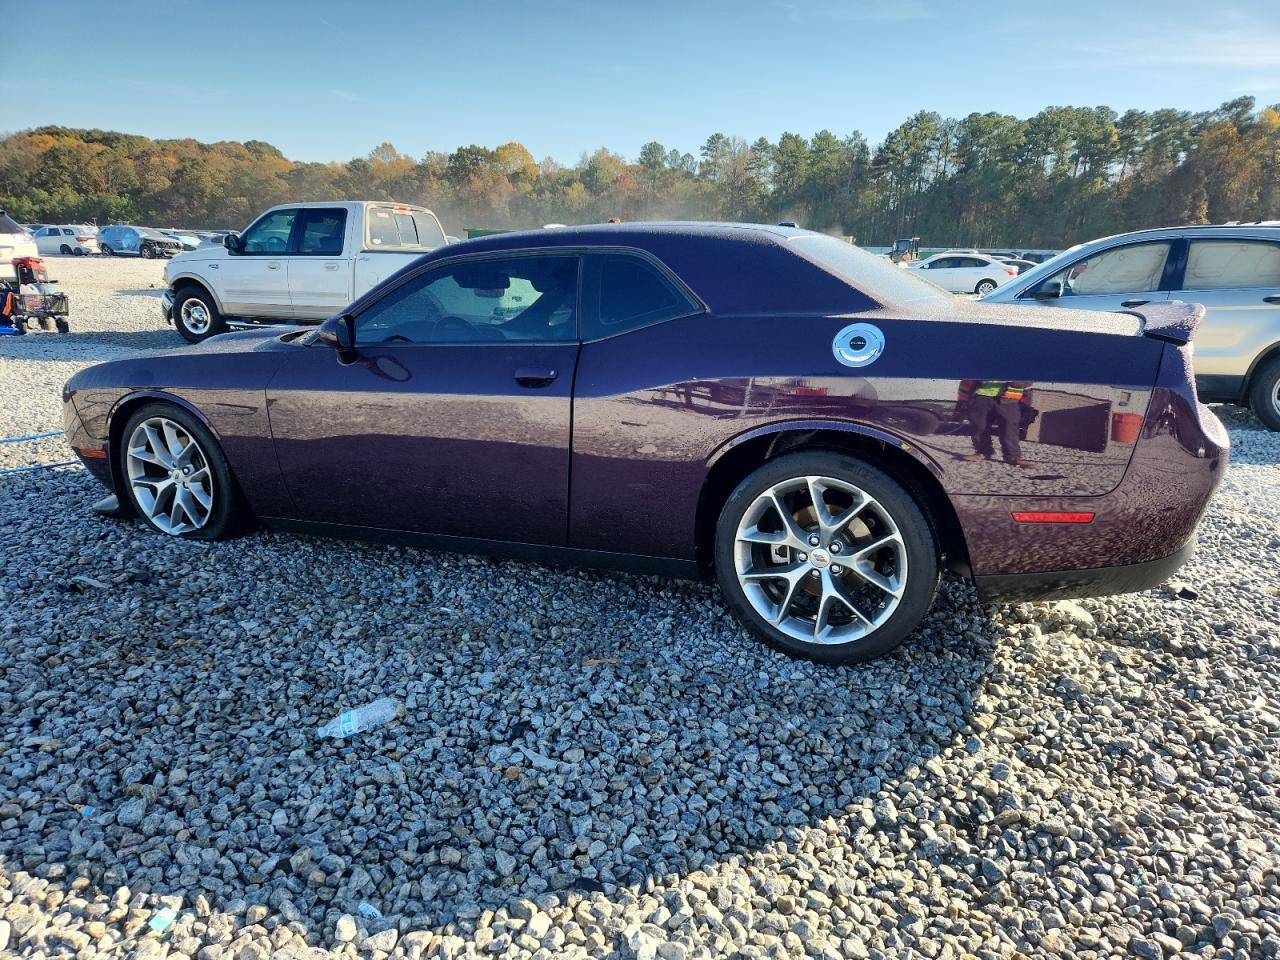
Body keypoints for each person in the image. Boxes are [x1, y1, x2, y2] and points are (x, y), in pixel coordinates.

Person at [957, 380, 1033, 467]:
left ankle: (1013, 456)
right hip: (980, 395)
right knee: (979, 425)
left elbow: (1028, 378)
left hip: (1009, 398)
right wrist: (963, 399)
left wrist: (1017, 382)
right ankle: (983, 451)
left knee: (1009, 427)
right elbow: (967, 377)